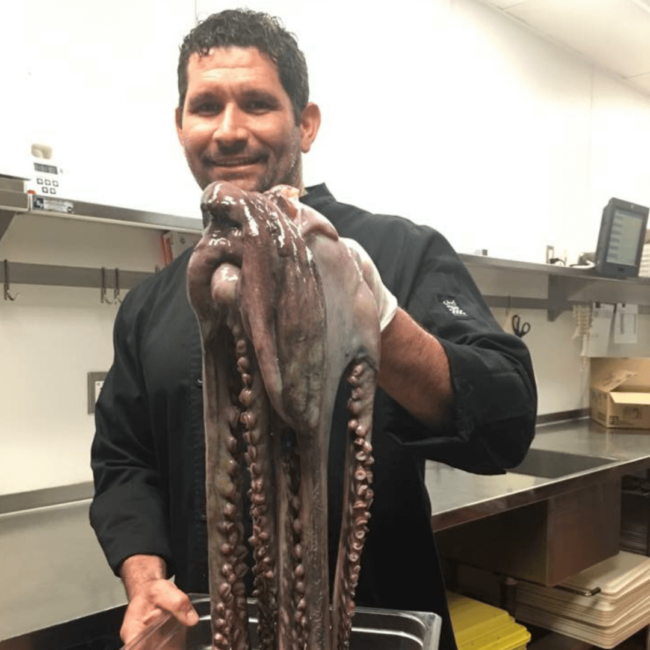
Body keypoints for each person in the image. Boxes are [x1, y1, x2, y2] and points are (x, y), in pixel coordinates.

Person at [90, 9, 537, 650]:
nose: (229, 130)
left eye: (257, 103)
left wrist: (379, 319)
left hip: (376, 627)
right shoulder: (152, 303)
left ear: (306, 123)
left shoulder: (396, 251)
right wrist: (145, 576)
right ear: (181, 126)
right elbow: (123, 460)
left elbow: (507, 419)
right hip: (215, 633)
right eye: (206, 106)